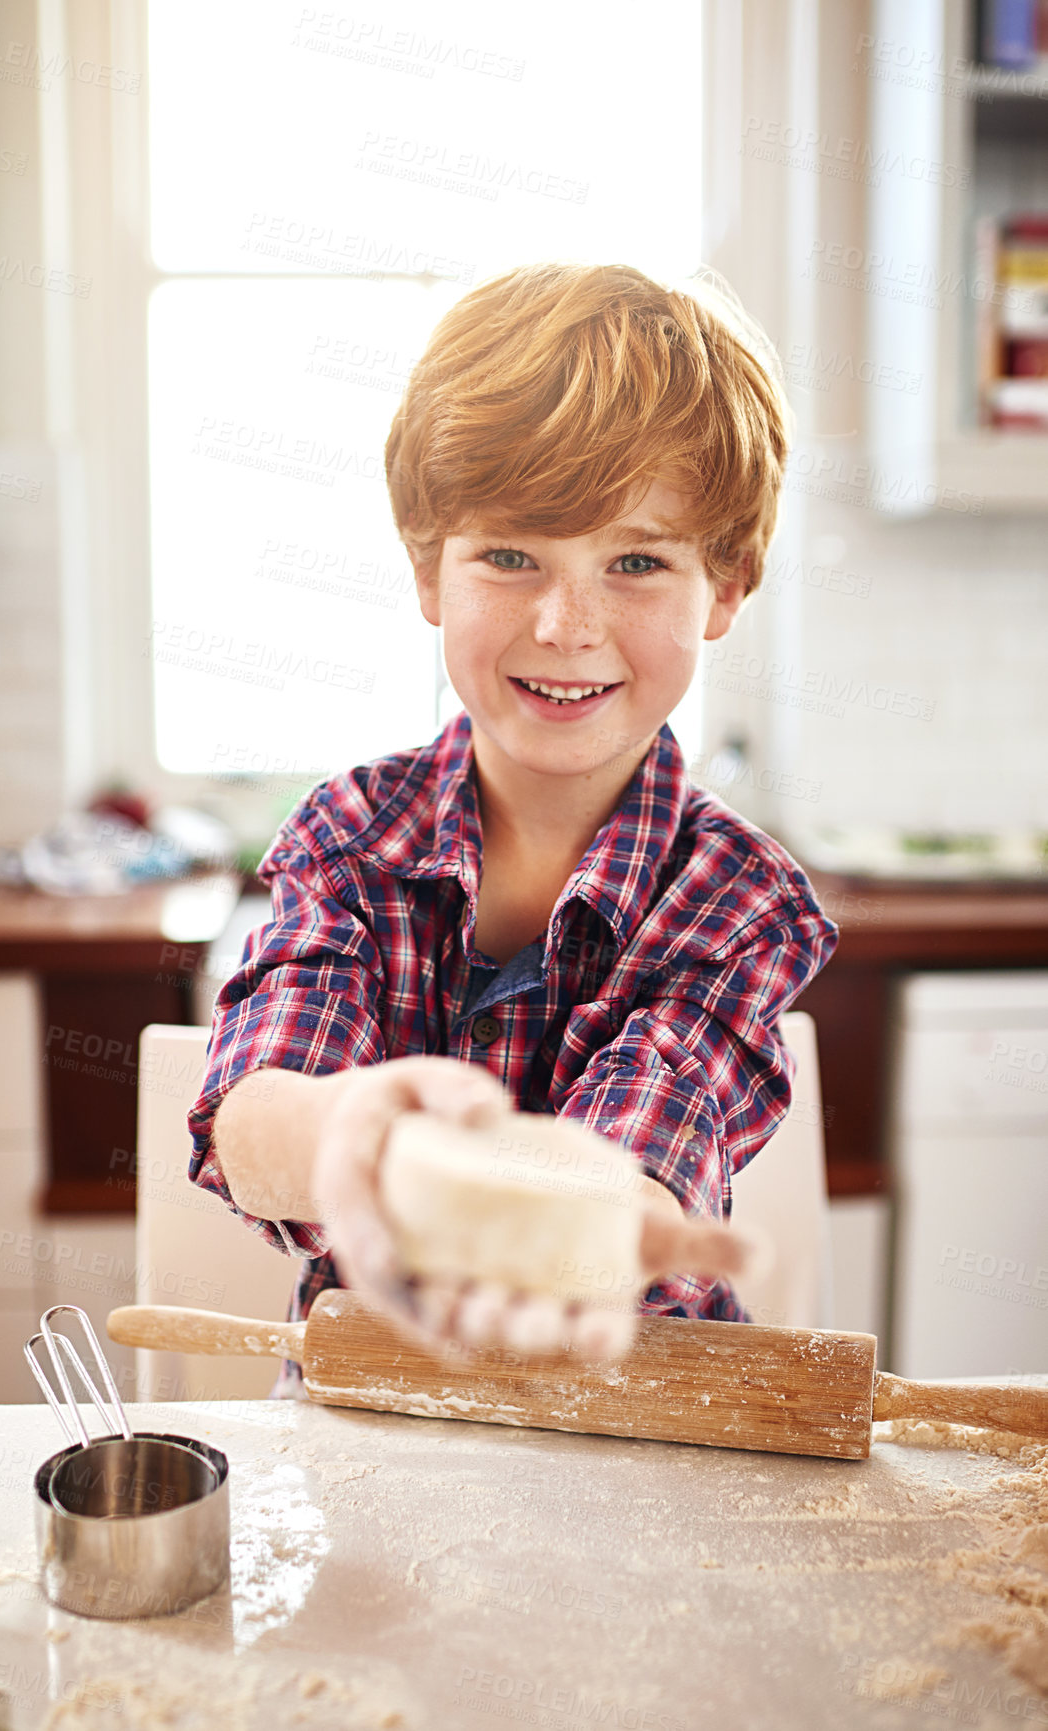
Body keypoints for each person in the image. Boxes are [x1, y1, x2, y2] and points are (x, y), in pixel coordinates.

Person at [187, 261, 838, 1388]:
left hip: (648, 1429)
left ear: (726, 586)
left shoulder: (738, 899)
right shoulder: (351, 838)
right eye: (511, 556)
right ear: (427, 567)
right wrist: (356, 1141)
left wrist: (573, 1232)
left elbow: (651, 1133)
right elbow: (256, 1116)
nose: (566, 624)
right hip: (370, 1426)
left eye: (637, 562)